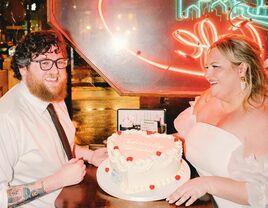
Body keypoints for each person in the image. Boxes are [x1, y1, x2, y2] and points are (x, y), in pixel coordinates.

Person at [0, 30, 108, 207]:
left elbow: (56, 145)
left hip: (69, 199)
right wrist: (56, 181)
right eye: (44, 63)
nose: (55, 71)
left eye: (60, 62)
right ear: (23, 68)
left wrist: (91, 155)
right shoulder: (6, 119)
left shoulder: (52, 95)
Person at [166, 34, 268, 207]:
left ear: (242, 69)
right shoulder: (208, 99)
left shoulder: (261, 119)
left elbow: (262, 192)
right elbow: (187, 138)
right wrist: (146, 142)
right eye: (207, 67)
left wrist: (207, 184)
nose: (207, 74)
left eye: (215, 67)